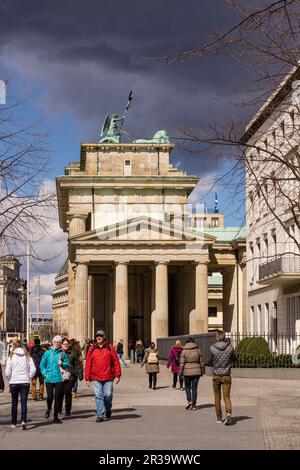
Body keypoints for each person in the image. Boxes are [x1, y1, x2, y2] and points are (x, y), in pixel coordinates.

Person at [85, 330, 121, 422]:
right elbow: (88, 363)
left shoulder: (110, 347)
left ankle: (108, 408)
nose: (99, 337)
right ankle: (100, 415)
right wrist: (87, 378)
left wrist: (118, 375)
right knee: (98, 395)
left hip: (108, 376)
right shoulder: (92, 348)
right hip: (96, 377)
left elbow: (116, 361)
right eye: (97, 336)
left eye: (101, 335)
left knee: (108, 395)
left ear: (104, 337)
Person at [5, 340, 36, 430]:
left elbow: (7, 372)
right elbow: (33, 369)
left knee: (14, 403)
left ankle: (14, 422)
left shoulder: (11, 357)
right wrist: (28, 377)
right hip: (25, 382)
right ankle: (23, 421)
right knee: (24, 402)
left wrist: (10, 379)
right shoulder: (27, 356)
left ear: (13, 347)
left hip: (14, 382)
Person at [207, 330, 236, 425]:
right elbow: (234, 359)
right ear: (224, 337)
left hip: (216, 375)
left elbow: (210, 360)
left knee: (217, 397)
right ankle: (228, 414)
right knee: (227, 396)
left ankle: (219, 417)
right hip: (226, 375)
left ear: (216, 337)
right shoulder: (230, 347)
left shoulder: (212, 348)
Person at [39, 335, 69, 424]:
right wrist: (45, 374)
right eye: (55, 342)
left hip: (59, 378)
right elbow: (42, 365)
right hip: (48, 379)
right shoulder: (47, 353)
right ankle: (48, 408)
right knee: (50, 397)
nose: (57, 344)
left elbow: (67, 364)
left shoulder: (62, 353)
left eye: (59, 343)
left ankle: (55, 417)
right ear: (53, 343)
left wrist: (62, 363)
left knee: (58, 397)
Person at [60, 338, 83, 416]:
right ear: (61, 345)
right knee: (60, 392)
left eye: (67, 344)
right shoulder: (58, 353)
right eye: (64, 344)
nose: (66, 345)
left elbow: (78, 364)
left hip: (70, 375)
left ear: (69, 344)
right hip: (59, 375)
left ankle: (67, 410)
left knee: (67, 392)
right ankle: (59, 407)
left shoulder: (73, 353)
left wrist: (80, 374)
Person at [179, 337, 203, 410]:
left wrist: (180, 372)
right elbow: (201, 362)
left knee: (187, 387)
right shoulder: (198, 350)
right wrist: (202, 371)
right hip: (196, 371)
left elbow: (182, 363)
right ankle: (194, 404)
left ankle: (189, 401)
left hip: (186, 372)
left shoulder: (184, 351)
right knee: (194, 388)